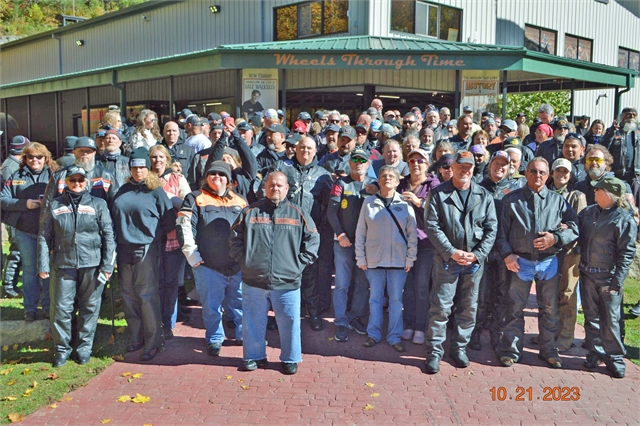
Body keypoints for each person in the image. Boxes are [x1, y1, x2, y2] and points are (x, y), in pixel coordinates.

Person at [230, 171, 320, 375]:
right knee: (252, 322)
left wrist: (299, 264)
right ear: (265, 187)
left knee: (289, 323)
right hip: (254, 280)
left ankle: (290, 358)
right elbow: (234, 238)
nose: (275, 188)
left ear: (287, 188)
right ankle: (254, 356)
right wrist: (245, 262)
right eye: (271, 185)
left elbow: (313, 239)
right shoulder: (250, 212)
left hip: (288, 281)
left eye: (279, 185)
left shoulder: (298, 213)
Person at [494, 158, 579, 369]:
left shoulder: (557, 201)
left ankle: (549, 350)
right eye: (533, 171)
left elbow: (575, 227)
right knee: (514, 308)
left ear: (548, 175)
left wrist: (556, 238)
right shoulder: (511, 200)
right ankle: (511, 350)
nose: (537, 175)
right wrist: (507, 255)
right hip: (520, 262)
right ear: (526, 173)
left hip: (548, 262)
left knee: (549, 309)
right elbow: (500, 234)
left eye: (542, 172)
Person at [423, 151, 497, 374]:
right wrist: (451, 252)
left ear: (473, 169)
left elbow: (491, 229)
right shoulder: (438, 194)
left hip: (474, 262)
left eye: (469, 167)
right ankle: (434, 352)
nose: (465, 170)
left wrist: (477, 254)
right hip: (447, 260)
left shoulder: (484, 196)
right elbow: (432, 226)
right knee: (440, 308)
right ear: (453, 167)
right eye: (461, 166)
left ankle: (459, 348)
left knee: (468, 308)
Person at [37, 166, 115, 367]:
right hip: (63, 264)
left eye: (80, 180)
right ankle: (62, 349)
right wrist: (43, 264)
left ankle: (84, 348)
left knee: (90, 307)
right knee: (61, 308)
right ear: (66, 182)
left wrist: (107, 265)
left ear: (86, 182)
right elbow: (44, 236)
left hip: (92, 265)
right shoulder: (55, 204)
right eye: (73, 180)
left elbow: (109, 235)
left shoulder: (98, 204)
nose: (77, 183)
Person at [110, 148, 177, 362]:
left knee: (147, 295)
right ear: (130, 168)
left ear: (148, 169)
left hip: (146, 247)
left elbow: (168, 220)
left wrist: (153, 237)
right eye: (134, 167)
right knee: (127, 294)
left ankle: (153, 341)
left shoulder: (155, 191)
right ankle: (136, 336)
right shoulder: (122, 190)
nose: (138, 171)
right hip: (123, 247)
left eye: (142, 167)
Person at [177, 161, 247, 355]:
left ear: (229, 179)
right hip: (208, 266)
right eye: (212, 173)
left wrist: (248, 257)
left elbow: (250, 229)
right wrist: (192, 255)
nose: (217, 177)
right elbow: (184, 225)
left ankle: (244, 335)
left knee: (241, 303)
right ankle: (215, 338)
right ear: (206, 177)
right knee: (211, 307)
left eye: (222, 174)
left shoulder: (240, 200)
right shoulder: (195, 198)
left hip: (237, 265)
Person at [578, 177, 636, 379]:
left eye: (598, 189)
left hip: (608, 277)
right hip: (587, 273)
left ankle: (615, 358)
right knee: (591, 317)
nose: (594, 191)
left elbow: (626, 253)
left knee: (611, 320)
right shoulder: (588, 213)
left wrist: (617, 281)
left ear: (609, 194)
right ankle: (595, 353)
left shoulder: (623, 219)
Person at [355, 165, 418, 353]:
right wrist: (360, 258)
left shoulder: (405, 204)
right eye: (383, 175)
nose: (387, 178)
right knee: (375, 299)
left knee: (396, 301)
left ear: (398, 182)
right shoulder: (369, 203)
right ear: (379, 180)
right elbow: (360, 232)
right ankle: (373, 334)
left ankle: (394, 337)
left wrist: (410, 258)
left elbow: (412, 234)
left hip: (399, 260)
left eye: (391, 176)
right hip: (374, 259)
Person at [1, 142, 58, 320]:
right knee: (29, 270)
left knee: (48, 269)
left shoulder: (54, 175)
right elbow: (3, 199)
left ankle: (48, 307)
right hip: (25, 231)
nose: (35, 160)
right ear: (24, 158)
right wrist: (24, 204)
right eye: (30, 156)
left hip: (49, 232)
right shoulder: (16, 176)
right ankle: (30, 309)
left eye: (39, 157)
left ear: (45, 158)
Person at [473, 151, 521, 351]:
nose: (499, 167)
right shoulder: (478, 187)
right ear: (490, 165)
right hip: (483, 248)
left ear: (510, 167)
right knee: (481, 293)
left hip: (504, 250)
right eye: (496, 163)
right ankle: (475, 332)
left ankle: (496, 333)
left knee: (501, 294)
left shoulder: (516, 189)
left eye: (504, 164)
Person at [326, 148, 375, 341]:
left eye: (362, 160)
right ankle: (340, 321)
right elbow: (331, 212)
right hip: (343, 243)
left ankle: (355, 317)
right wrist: (340, 235)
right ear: (350, 162)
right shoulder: (340, 183)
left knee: (362, 284)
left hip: (366, 244)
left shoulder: (373, 185)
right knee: (342, 284)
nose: (358, 163)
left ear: (368, 164)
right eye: (355, 160)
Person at [397, 149, 440, 345]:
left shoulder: (434, 185)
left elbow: (439, 211)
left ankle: (421, 327)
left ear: (427, 164)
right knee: (407, 287)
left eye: (420, 161)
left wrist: (419, 202)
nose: (415, 164)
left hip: (425, 244)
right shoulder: (401, 183)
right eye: (412, 160)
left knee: (421, 287)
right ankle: (408, 324)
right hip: (403, 244)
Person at [149, 145, 191, 338]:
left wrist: (170, 198)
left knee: (171, 282)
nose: (157, 160)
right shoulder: (146, 178)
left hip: (173, 237)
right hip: (152, 238)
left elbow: (189, 205)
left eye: (160, 157)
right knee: (156, 282)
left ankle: (168, 323)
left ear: (167, 159)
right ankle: (155, 321)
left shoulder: (177, 179)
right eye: (153, 157)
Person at [548, 158, 587, 352]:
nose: (561, 174)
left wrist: (566, 227)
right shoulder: (545, 193)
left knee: (568, 295)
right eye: (558, 171)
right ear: (552, 173)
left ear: (570, 175)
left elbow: (580, 225)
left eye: (565, 171)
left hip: (571, 252)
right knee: (551, 295)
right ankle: (550, 333)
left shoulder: (577, 196)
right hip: (550, 252)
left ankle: (565, 337)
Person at [1, 135, 29, 299]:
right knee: (16, 251)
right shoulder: (10, 167)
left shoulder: (12, 164)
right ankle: (8, 287)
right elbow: (10, 194)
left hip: (19, 214)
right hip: (14, 216)